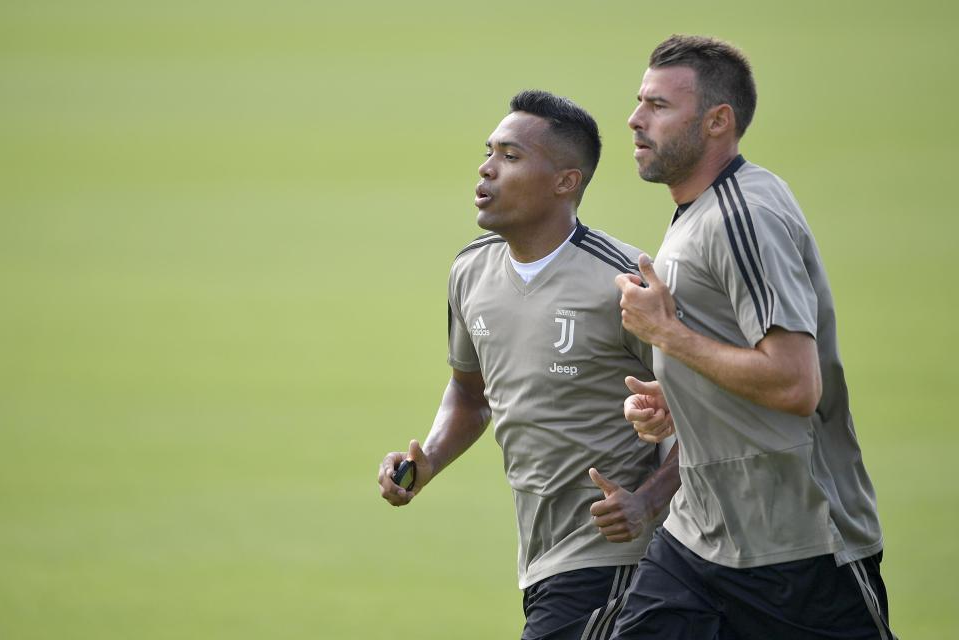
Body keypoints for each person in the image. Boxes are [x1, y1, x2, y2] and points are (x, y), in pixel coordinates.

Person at [610, 35, 895, 639]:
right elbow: (730, 350)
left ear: (718, 121)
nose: (635, 119)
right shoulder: (697, 210)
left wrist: (668, 335)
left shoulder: (746, 215)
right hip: (697, 542)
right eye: (640, 101)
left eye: (659, 106)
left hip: (798, 551)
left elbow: (794, 384)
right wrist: (677, 395)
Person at [377, 90, 680, 640]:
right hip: (541, 555)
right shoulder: (470, 271)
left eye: (511, 157)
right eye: (489, 152)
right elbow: (471, 395)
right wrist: (428, 462)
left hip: (617, 555)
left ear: (566, 181)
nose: (486, 169)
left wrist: (650, 500)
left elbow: (712, 406)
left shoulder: (625, 282)